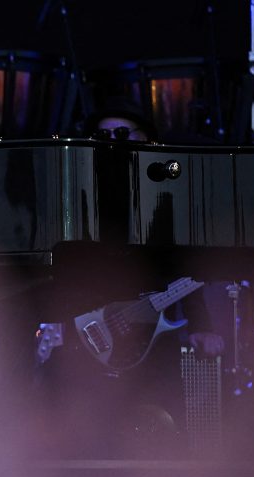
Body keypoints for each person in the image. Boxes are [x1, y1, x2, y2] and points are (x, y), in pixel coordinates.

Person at [32, 97, 226, 456]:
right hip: (86, 336)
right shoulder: (75, 193)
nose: (111, 141)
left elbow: (187, 265)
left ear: (147, 141)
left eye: (121, 133)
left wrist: (202, 323)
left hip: (152, 341)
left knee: (158, 430)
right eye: (101, 135)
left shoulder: (169, 198)